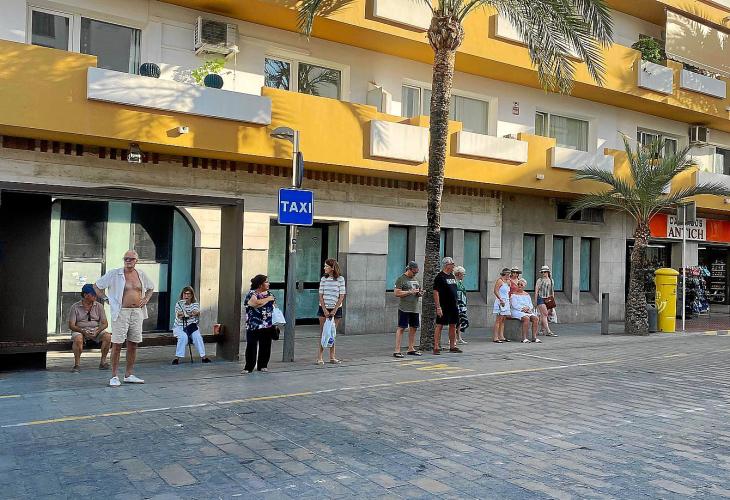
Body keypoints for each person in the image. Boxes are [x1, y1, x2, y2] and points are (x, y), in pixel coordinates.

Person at [94, 250, 154, 387]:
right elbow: (96, 286)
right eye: (126, 258)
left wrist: (146, 298)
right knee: (117, 344)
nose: (128, 261)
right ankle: (114, 376)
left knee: (133, 343)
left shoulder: (141, 274)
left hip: (137, 312)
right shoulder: (114, 274)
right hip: (121, 312)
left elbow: (151, 288)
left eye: (131, 259)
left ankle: (129, 374)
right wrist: (106, 299)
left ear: (136, 260)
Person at [68, 284, 112, 372]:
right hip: (80, 330)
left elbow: (105, 323)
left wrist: (97, 331)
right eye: (93, 294)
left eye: (95, 294)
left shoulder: (99, 306)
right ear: (85, 295)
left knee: (107, 336)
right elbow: (71, 325)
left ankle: (103, 362)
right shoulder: (75, 307)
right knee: (78, 338)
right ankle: (77, 364)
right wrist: (83, 331)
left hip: (95, 329)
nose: (95, 296)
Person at [243, 275, 276, 374]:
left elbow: (272, 305)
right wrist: (267, 299)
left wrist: (260, 302)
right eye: (266, 282)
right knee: (251, 345)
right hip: (253, 324)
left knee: (265, 345)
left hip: (267, 324)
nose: (268, 284)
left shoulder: (270, 294)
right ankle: (249, 367)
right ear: (260, 284)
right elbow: (253, 303)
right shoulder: (252, 293)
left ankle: (263, 365)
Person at [172, 286, 211, 365]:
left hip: (191, 327)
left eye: (188, 294)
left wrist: (187, 314)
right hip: (179, 327)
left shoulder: (195, 304)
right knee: (183, 337)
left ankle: (203, 357)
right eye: (185, 294)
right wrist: (187, 313)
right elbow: (179, 315)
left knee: (198, 337)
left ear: (191, 295)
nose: (186, 296)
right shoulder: (179, 304)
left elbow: (195, 312)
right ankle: (177, 358)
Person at [317, 259, 346, 365]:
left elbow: (342, 295)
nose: (324, 268)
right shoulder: (323, 279)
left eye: (326, 266)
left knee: (332, 332)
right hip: (323, 308)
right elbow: (320, 295)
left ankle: (332, 357)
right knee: (323, 332)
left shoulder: (340, 279)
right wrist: (325, 309)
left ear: (332, 267)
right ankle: (320, 357)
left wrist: (334, 310)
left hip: (336, 309)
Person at [393, 261, 423, 358]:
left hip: (414, 308)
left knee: (414, 327)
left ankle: (411, 348)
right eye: (413, 272)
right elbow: (396, 293)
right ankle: (397, 350)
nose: (415, 274)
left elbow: (418, 291)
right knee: (401, 328)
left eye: (416, 272)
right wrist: (409, 292)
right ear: (409, 269)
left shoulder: (416, 279)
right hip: (404, 308)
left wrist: (420, 293)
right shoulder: (401, 279)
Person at [433, 257, 462, 354]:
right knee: (439, 325)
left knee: (453, 324)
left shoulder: (452, 276)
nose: (453, 266)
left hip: (453, 305)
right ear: (447, 265)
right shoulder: (440, 277)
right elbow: (436, 292)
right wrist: (438, 307)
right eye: (452, 264)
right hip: (444, 305)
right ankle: (436, 346)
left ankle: (452, 346)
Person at [510, 279, 541, 343]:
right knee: (526, 318)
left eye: (521, 285)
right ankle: (524, 338)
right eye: (518, 284)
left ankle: (534, 337)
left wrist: (528, 308)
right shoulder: (513, 294)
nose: (519, 286)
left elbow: (530, 304)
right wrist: (523, 309)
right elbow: (514, 305)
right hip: (516, 311)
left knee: (536, 318)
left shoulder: (527, 294)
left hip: (527, 311)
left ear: (524, 286)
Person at [535, 265, 558, 337]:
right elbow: (536, 291)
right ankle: (548, 331)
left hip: (548, 299)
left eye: (545, 272)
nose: (543, 273)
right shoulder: (539, 280)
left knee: (544, 315)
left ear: (548, 272)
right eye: (542, 272)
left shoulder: (551, 280)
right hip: (541, 298)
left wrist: (552, 300)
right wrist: (535, 301)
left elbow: (552, 291)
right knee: (544, 314)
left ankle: (542, 330)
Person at [492, 268, 511, 343]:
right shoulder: (499, 281)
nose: (509, 275)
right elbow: (495, 291)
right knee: (498, 320)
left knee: (503, 320)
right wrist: (500, 299)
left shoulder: (508, 281)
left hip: (506, 300)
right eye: (508, 274)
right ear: (505, 274)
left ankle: (501, 336)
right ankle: (495, 337)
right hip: (500, 301)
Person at [454, 266, 469, 345]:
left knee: (460, 321)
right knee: (455, 321)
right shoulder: (455, 282)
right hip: (457, 304)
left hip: (462, 303)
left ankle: (459, 337)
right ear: (459, 274)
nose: (464, 275)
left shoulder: (459, 282)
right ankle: (453, 338)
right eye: (463, 274)